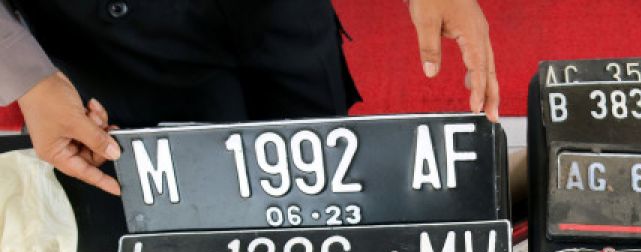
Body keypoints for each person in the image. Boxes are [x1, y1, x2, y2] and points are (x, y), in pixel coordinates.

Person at [0, 0, 500, 197]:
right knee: (192, 214)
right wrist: (26, 76)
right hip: (115, 40)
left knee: (323, 175)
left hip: (279, 18)